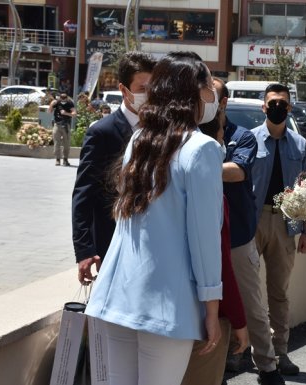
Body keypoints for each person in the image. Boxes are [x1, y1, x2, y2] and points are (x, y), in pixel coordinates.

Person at [84, 51, 224, 385]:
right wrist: (212, 310)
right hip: (165, 306)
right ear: (191, 93)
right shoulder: (200, 148)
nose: (212, 96)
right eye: (207, 87)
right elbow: (204, 239)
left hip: (117, 298)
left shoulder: (140, 139)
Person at [211, 80, 283, 385]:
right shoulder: (194, 135)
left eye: (211, 96)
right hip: (203, 237)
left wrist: (194, 163)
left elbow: (237, 172)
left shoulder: (242, 137)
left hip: (238, 237)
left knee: (252, 305)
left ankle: (267, 367)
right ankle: (219, 365)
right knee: (209, 306)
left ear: (224, 101)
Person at [72, 51, 155, 284]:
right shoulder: (102, 132)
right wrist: (84, 250)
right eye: (142, 89)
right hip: (112, 241)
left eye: (154, 88)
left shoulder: (161, 132)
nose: (149, 96)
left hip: (152, 243)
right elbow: (83, 194)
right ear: (123, 89)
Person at [181, 105, 250, 385]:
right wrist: (239, 321)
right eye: (223, 128)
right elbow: (218, 263)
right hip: (203, 318)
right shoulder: (211, 197)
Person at [250, 83, 306, 383]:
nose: (277, 107)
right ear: (263, 106)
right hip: (252, 223)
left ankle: (280, 352)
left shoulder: (300, 145)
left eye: (283, 104)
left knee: (279, 292)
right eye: (272, 102)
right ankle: (240, 350)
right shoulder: (249, 140)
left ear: (289, 108)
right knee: (246, 290)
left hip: (286, 224)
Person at [49, 93, 76, 166]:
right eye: (62, 99)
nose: (63, 100)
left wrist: (66, 113)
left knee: (66, 143)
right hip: (57, 124)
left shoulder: (69, 103)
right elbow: (49, 111)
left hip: (66, 125)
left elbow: (74, 114)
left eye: (65, 99)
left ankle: (65, 159)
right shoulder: (57, 102)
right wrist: (51, 104)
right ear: (60, 98)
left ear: (67, 98)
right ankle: (57, 159)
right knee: (56, 143)